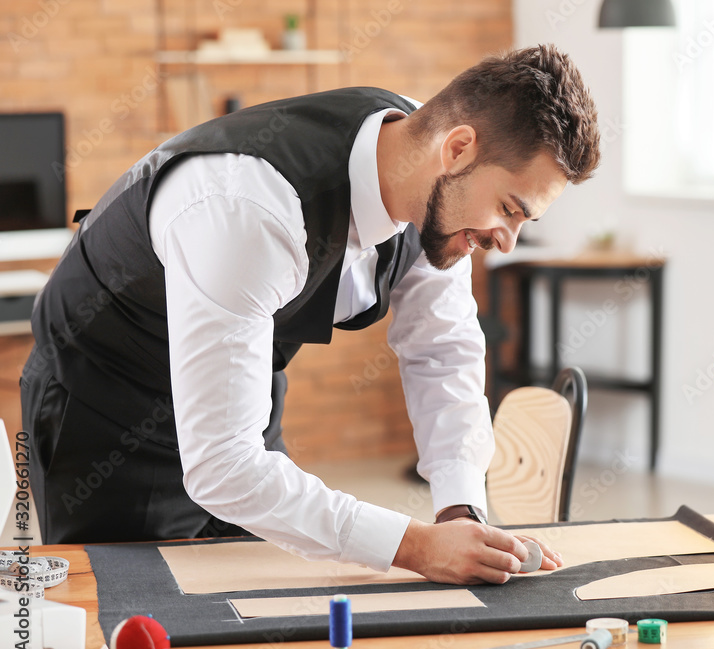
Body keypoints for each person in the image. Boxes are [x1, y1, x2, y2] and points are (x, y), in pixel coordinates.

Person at [20, 44, 601, 585]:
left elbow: (442, 351)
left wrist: (459, 510)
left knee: (261, 592)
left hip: (240, 408)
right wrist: (417, 546)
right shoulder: (249, 209)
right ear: (458, 149)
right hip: (105, 411)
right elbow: (223, 467)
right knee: (131, 614)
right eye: (509, 209)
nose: (508, 243)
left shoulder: (436, 176)